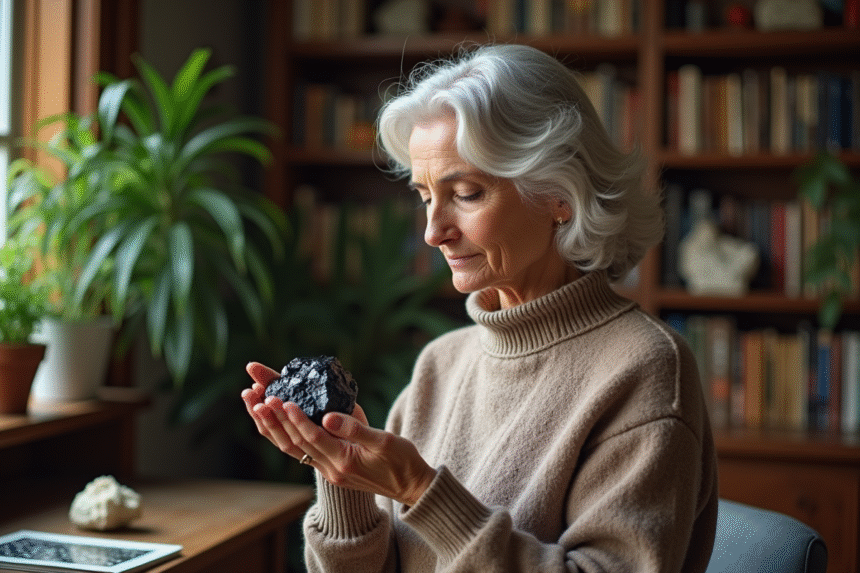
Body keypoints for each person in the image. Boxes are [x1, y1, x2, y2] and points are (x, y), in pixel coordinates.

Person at [242, 43, 718, 572]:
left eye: (465, 193)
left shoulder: (645, 367)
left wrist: (420, 489)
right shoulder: (441, 364)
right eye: (425, 196)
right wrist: (344, 481)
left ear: (561, 193)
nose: (432, 231)